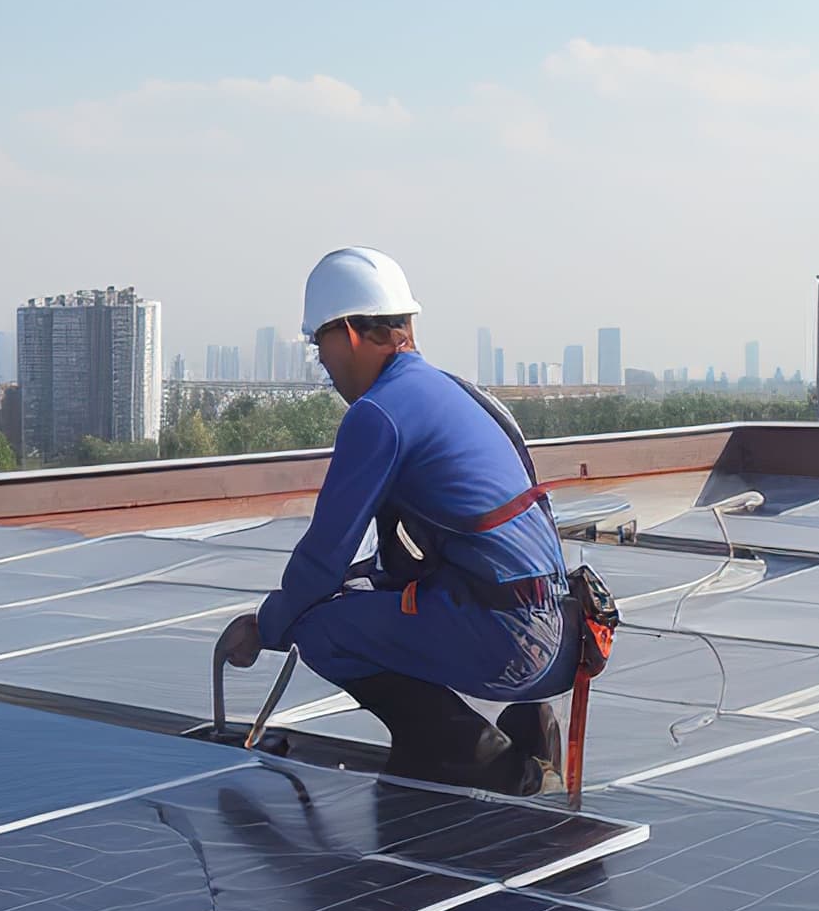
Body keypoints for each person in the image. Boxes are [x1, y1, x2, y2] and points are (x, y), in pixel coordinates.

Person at [218, 247, 569, 793]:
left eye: (321, 347)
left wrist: (265, 627)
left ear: (351, 334)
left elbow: (321, 558)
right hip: (557, 635)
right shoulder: (457, 392)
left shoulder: (379, 413)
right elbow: (406, 558)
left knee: (321, 632)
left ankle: (489, 764)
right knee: (352, 604)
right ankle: (521, 730)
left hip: (509, 641)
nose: (324, 366)